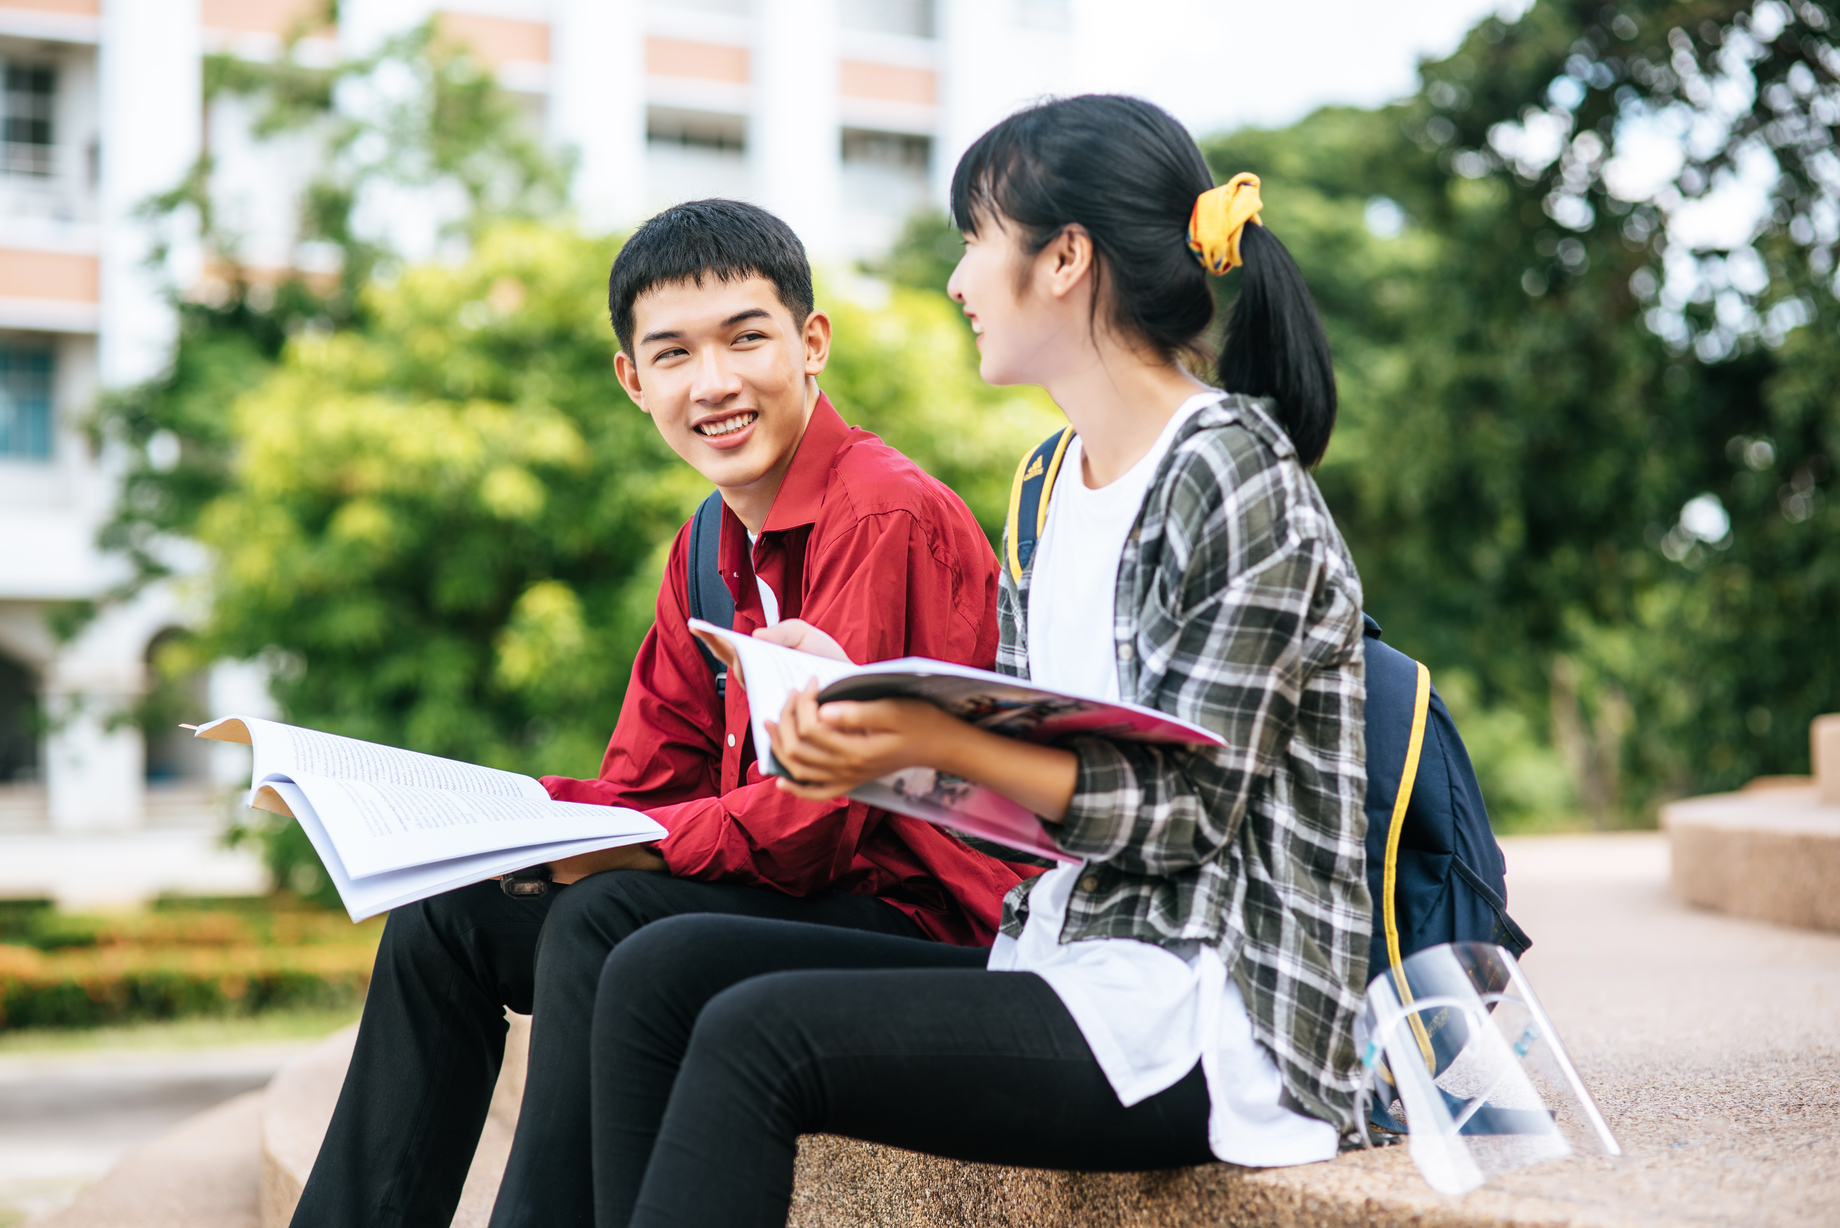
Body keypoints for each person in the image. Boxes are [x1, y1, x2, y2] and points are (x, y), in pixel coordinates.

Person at [582, 95, 1372, 1228]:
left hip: (1215, 1009)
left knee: (760, 1036)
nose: (957, 280)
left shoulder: (1229, 474)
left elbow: (1182, 816)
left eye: (974, 240)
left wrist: (934, 739)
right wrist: (850, 693)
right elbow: (1019, 782)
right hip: (1072, 956)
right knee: (657, 970)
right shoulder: (1049, 482)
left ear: (1064, 259)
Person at [287, 199, 1041, 1228]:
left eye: (746, 338)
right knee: (446, 916)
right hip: (796, 898)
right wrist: (479, 821)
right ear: (633, 381)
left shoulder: (883, 513)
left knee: (605, 915)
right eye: (674, 354)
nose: (713, 383)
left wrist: (618, 849)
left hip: (924, 920)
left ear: (811, 343)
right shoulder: (704, 549)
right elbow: (646, 785)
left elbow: (816, 830)